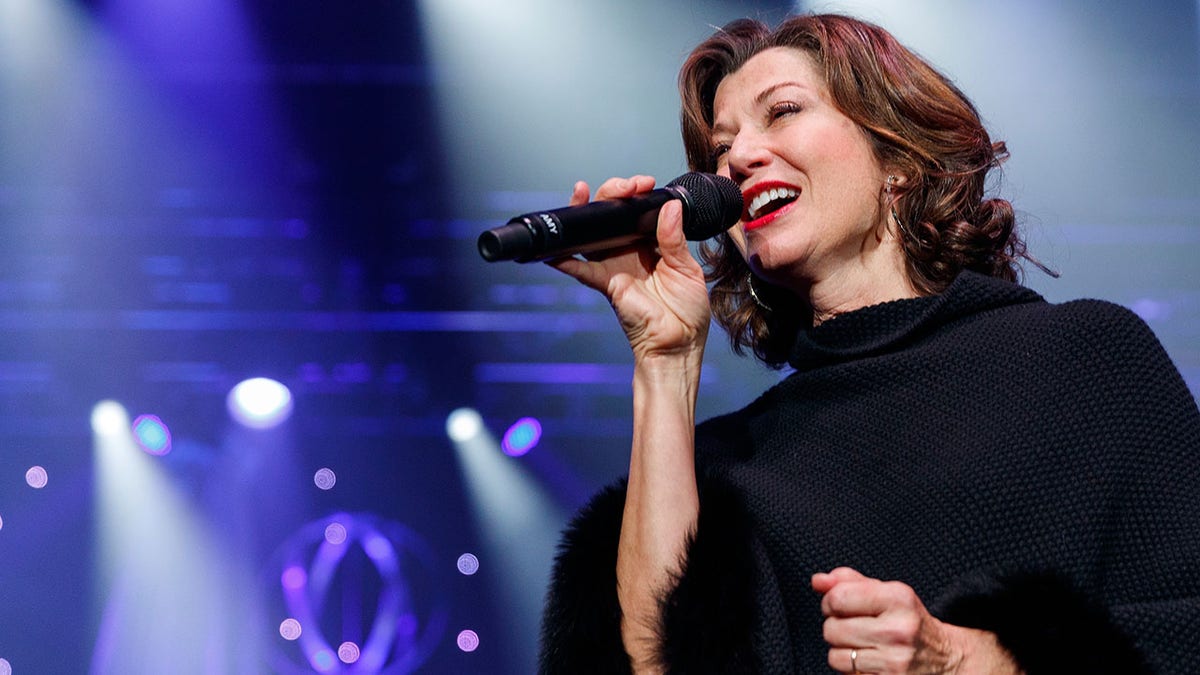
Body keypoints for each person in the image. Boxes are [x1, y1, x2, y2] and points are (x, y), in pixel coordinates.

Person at [536, 13, 1200, 675]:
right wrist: (664, 358)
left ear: (901, 159)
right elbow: (648, 663)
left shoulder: (1086, 361)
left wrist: (972, 660)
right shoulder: (723, 468)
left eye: (784, 111)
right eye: (721, 147)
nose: (737, 159)